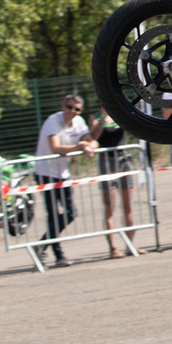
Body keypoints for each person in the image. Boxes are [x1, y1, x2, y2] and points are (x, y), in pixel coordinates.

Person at [35, 94, 94, 267]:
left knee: (71, 212)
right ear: (63, 106)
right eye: (69, 107)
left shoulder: (79, 122)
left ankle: (41, 245)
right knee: (53, 215)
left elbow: (91, 141)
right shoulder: (53, 121)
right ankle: (58, 254)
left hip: (62, 172)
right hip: (45, 171)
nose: (72, 112)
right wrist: (79, 147)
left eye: (76, 109)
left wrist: (89, 146)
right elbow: (55, 147)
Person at [89, 111, 143, 257]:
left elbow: (133, 127)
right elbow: (94, 137)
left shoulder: (119, 112)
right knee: (109, 207)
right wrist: (102, 121)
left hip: (123, 160)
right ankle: (112, 248)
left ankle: (130, 245)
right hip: (106, 162)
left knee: (128, 206)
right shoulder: (95, 118)